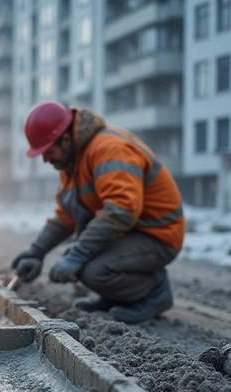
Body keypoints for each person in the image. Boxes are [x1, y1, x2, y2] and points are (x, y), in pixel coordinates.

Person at [11, 101, 185, 324]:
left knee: (91, 269)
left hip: (159, 234)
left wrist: (78, 255)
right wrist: (36, 251)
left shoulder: (109, 148)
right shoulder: (72, 164)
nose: (45, 159)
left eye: (48, 151)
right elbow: (66, 217)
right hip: (131, 232)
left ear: (65, 139)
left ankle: (155, 292)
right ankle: (116, 297)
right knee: (81, 259)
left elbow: (121, 210)